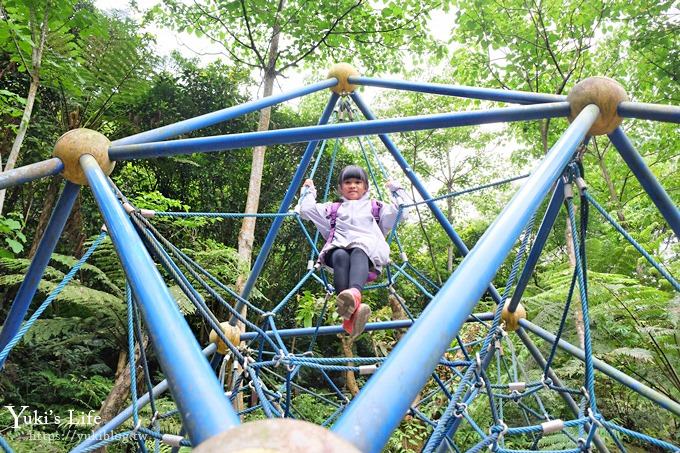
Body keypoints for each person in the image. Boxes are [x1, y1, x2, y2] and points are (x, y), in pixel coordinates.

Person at [299, 165, 408, 338]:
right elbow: (305, 211)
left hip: (367, 255)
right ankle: (350, 315)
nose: (353, 186)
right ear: (340, 188)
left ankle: (355, 294)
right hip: (339, 250)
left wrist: (396, 190)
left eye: (358, 182)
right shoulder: (332, 209)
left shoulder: (376, 207)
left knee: (358, 250)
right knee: (341, 254)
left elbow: (401, 212)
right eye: (348, 182)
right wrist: (308, 191)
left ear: (366, 187)